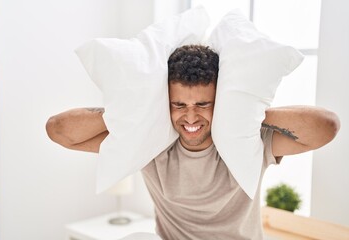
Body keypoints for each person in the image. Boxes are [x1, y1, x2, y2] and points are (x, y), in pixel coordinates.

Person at [46, 45, 340, 239]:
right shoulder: (149, 141)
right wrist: (136, 110)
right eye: (178, 104)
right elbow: (59, 131)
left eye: (203, 104)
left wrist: (243, 112)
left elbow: (325, 127)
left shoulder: (249, 140)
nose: (190, 117)